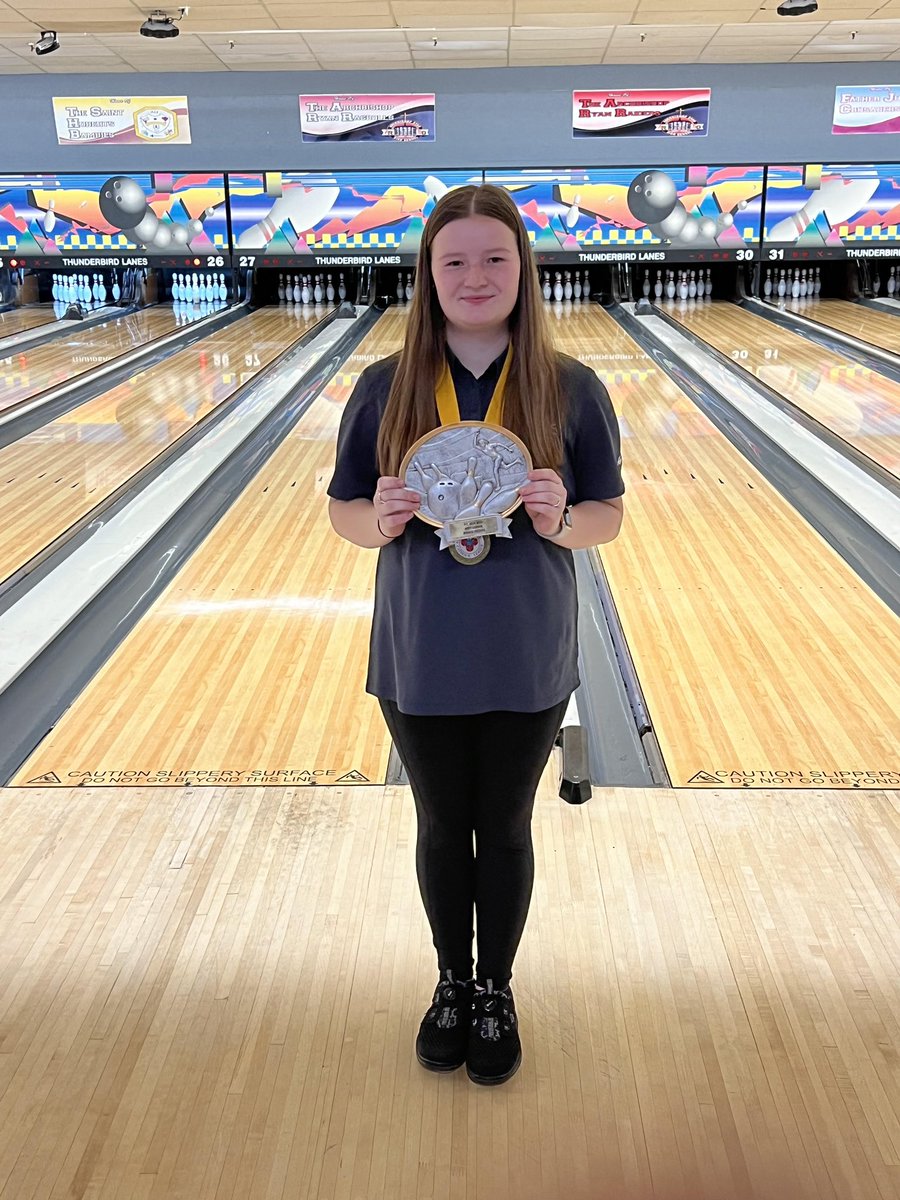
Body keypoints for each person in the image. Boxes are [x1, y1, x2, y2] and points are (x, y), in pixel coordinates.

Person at [327, 184, 624, 1086]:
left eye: (494, 257)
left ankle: (496, 988)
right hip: (418, 646)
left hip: (525, 645)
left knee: (503, 825)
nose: (474, 275)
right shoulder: (386, 386)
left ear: (523, 268)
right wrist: (376, 517)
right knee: (439, 822)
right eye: (453, 259)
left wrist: (561, 515)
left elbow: (608, 517)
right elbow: (341, 513)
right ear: (427, 273)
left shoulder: (570, 387)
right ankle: (449, 982)